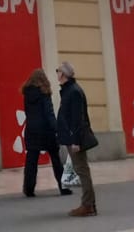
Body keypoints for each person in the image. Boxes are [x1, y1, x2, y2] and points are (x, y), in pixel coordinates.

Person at [54, 62, 98, 218]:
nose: (56, 73)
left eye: (58, 71)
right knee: (82, 170)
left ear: (64, 74)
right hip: (71, 137)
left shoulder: (73, 92)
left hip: (75, 138)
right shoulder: (69, 90)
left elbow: (77, 119)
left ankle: (88, 205)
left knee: (82, 170)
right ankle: (89, 204)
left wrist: (76, 141)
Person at [21, 68, 70, 199]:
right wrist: (56, 129)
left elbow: (27, 112)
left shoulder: (26, 93)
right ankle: (63, 187)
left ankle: (29, 189)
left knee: (31, 160)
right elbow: (49, 113)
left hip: (31, 130)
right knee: (55, 159)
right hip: (46, 131)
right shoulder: (44, 93)